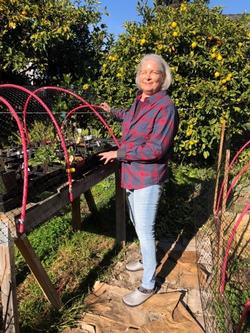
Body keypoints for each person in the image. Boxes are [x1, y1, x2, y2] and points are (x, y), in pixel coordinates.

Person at [99, 53, 179, 307]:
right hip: (131, 173)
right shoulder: (140, 101)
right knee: (136, 220)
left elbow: (156, 149)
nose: (148, 75)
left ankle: (147, 284)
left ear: (163, 78)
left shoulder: (165, 107)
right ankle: (147, 260)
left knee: (145, 230)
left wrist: (119, 153)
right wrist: (112, 112)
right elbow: (130, 118)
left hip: (148, 175)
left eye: (154, 72)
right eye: (144, 71)